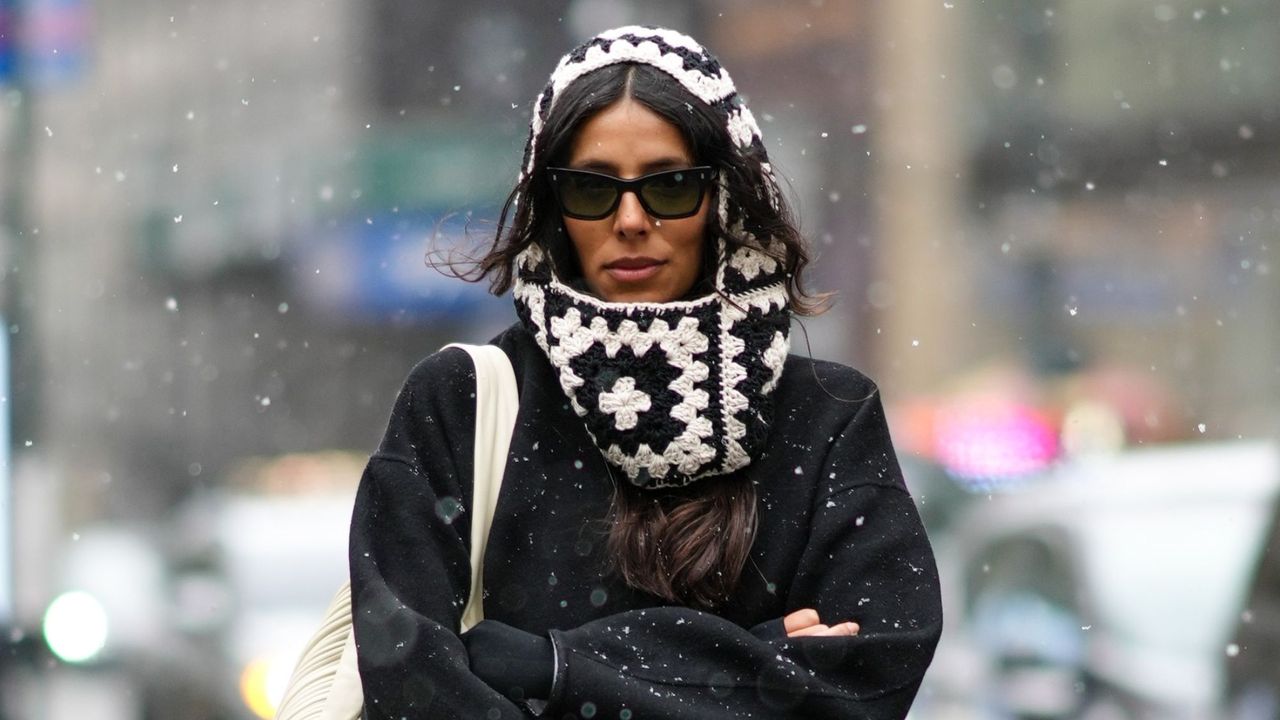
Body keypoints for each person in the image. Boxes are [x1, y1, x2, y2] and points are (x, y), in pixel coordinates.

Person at [349, 25, 942, 719]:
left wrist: (547, 665)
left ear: (724, 197)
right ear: (553, 208)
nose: (630, 219)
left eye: (669, 186)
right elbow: (411, 682)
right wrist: (755, 666)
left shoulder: (827, 416)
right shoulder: (462, 402)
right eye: (592, 190)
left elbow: (870, 682)